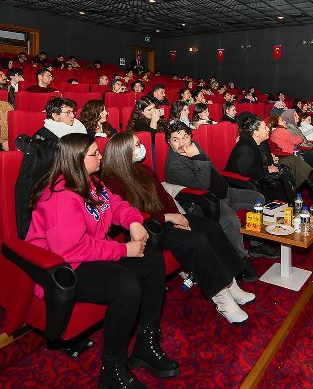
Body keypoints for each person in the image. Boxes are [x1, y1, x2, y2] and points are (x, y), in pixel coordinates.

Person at [27, 133, 178, 389]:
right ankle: (113, 368)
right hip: (64, 269)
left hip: (91, 254)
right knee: (126, 286)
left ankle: (146, 342)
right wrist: (122, 250)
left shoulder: (92, 182)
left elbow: (116, 204)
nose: (100, 157)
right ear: (76, 161)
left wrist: (133, 221)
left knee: (152, 260)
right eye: (94, 154)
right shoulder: (61, 197)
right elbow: (71, 250)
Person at [102, 131, 254, 324]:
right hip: (149, 228)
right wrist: (167, 218)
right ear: (123, 152)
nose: (142, 148)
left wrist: (179, 218)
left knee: (212, 227)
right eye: (137, 145)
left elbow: (165, 198)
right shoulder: (113, 182)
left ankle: (231, 284)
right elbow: (132, 216)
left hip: (166, 219)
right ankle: (222, 298)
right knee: (197, 241)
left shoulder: (143, 170)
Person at [164, 120, 272, 273]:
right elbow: (201, 186)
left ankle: (256, 244)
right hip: (207, 201)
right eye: (176, 140)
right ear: (169, 143)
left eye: (185, 137)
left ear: (190, 137)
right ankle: (240, 259)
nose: (182, 143)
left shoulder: (193, 146)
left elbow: (211, 170)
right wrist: (198, 157)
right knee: (230, 219)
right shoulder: (174, 165)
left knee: (258, 198)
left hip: (225, 192)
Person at [226, 114, 295, 202]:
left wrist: (270, 167)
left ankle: (292, 202)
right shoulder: (245, 147)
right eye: (265, 128)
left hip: (260, 176)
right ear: (256, 132)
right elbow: (246, 171)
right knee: (281, 186)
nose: (268, 129)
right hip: (245, 183)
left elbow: (268, 162)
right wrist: (267, 171)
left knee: (286, 174)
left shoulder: (262, 142)